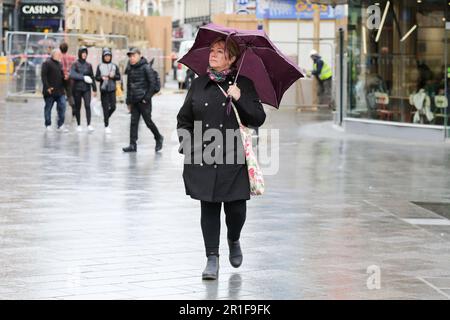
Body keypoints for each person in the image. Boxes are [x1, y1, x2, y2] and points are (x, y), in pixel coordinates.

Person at [176, 37, 266, 280]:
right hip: (204, 157)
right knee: (210, 207)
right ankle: (212, 258)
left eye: (219, 51)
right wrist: (188, 146)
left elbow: (258, 118)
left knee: (236, 210)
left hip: (234, 159)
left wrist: (240, 97)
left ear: (232, 58)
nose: (212, 55)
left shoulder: (243, 84)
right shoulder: (198, 84)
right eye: (211, 50)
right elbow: (183, 119)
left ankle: (234, 238)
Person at [122, 47, 164, 153]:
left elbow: (152, 84)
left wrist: (146, 98)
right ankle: (132, 145)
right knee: (133, 123)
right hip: (134, 101)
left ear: (139, 55)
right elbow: (129, 86)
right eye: (130, 56)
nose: (131, 58)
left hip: (144, 101)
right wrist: (128, 101)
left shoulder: (146, 67)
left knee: (148, 122)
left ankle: (158, 137)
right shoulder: (130, 68)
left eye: (133, 55)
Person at [69, 46, 97, 132]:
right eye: (83, 53)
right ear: (79, 53)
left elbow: (92, 76)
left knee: (87, 105)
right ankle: (78, 124)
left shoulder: (89, 65)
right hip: (77, 88)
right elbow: (72, 74)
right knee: (78, 106)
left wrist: (94, 88)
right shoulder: (75, 64)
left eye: (85, 53)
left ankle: (89, 124)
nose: (84, 54)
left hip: (86, 89)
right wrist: (83, 77)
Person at [41, 49, 68, 132]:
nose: (60, 56)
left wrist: (65, 78)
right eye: (59, 54)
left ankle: (60, 125)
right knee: (48, 108)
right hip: (50, 91)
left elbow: (61, 76)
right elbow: (43, 76)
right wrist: (47, 87)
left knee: (63, 106)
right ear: (54, 55)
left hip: (60, 91)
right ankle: (48, 124)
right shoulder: (47, 63)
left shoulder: (59, 64)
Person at [95, 48, 121, 134]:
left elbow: (119, 77)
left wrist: (113, 76)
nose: (107, 57)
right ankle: (106, 125)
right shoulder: (100, 66)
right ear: (103, 56)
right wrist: (101, 78)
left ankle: (106, 118)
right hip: (103, 90)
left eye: (109, 56)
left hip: (112, 89)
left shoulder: (114, 66)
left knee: (113, 107)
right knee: (105, 108)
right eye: (106, 56)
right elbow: (96, 77)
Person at [59, 42, 76, 118]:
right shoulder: (72, 57)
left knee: (60, 94)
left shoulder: (59, 57)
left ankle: (60, 109)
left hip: (61, 78)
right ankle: (73, 106)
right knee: (70, 94)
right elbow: (74, 67)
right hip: (70, 78)